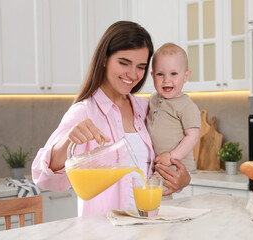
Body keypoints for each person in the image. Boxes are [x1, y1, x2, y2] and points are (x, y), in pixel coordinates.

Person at [31, 21, 191, 216]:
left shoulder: (147, 108)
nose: (132, 74)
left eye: (140, 67)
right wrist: (68, 140)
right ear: (105, 59)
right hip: (104, 230)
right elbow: (42, 176)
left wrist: (182, 179)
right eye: (124, 63)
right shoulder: (85, 111)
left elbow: (163, 163)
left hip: (149, 226)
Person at [147, 43, 201, 199]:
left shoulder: (187, 106)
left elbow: (192, 136)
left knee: (159, 197)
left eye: (173, 74)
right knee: (154, 197)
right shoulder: (153, 98)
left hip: (175, 165)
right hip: (158, 164)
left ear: (186, 75)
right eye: (160, 74)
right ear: (152, 76)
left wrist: (171, 156)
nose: (166, 80)